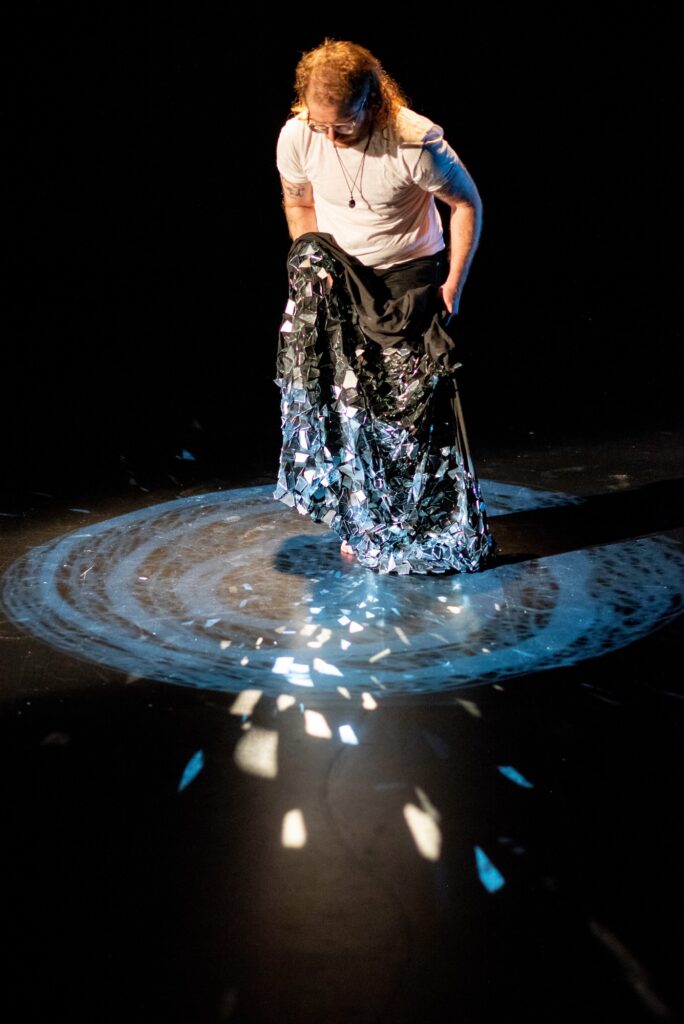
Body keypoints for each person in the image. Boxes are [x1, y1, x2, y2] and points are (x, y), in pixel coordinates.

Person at [273, 39, 495, 575]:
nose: (329, 136)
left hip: (407, 280)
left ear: (372, 102)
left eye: (342, 125)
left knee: (407, 413)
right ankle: (363, 518)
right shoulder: (299, 134)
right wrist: (316, 268)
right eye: (320, 123)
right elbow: (300, 203)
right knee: (352, 406)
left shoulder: (415, 142)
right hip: (342, 281)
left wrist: (453, 287)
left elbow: (467, 204)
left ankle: (422, 523)